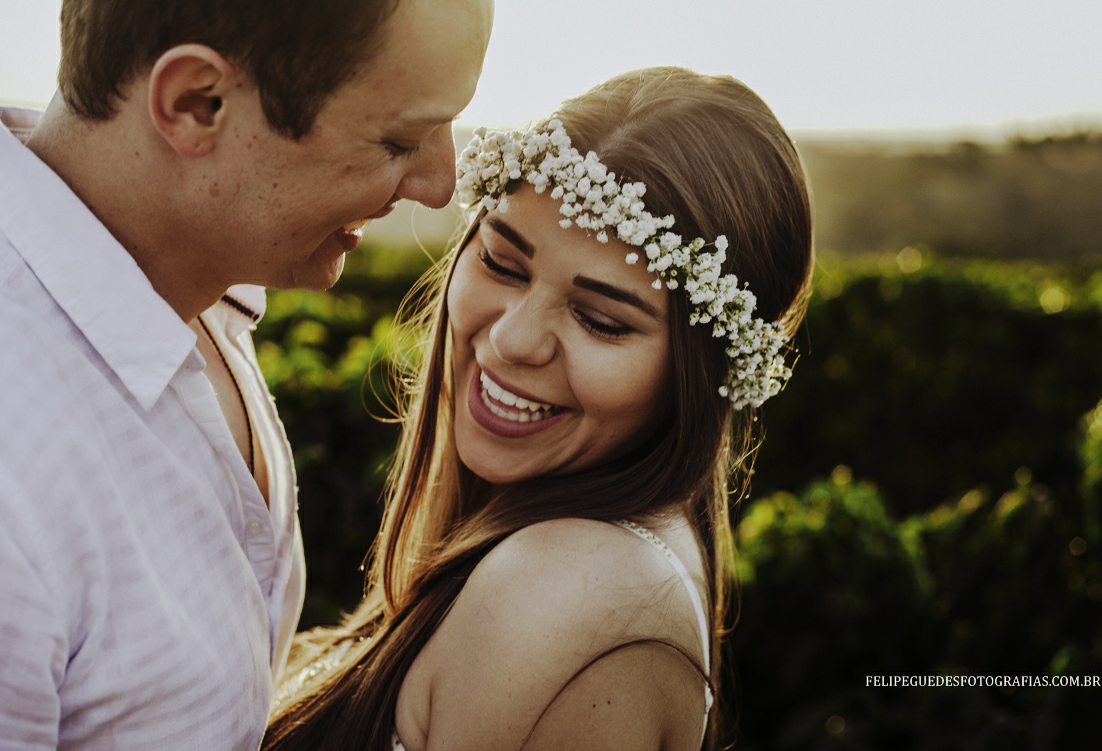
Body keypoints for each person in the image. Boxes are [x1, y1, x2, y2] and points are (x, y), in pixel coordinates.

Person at [0, 0, 495, 747]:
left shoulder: (196, 287)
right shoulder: (15, 472)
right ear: (199, 102)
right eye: (400, 139)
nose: (440, 183)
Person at [265, 66, 814, 750]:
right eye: (502, 263)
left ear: (701, 376)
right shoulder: (614, 552)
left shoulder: (570, 595)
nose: (512, 339)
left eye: (601, 320)